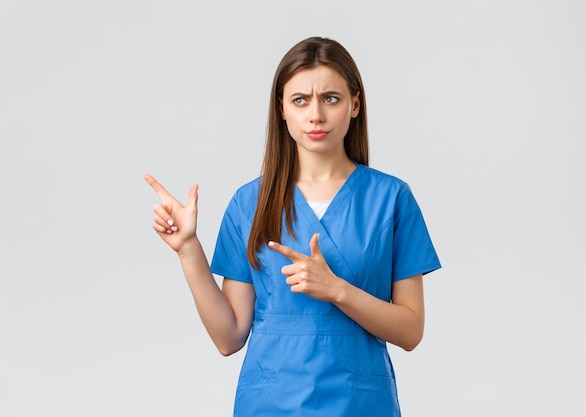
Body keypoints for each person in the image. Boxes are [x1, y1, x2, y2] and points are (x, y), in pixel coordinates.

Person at [145, 36, 441, 416]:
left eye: (330, 99)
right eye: (300, 100)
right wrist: (188, 249)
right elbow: (228, 336)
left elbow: (411, 330)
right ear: (282, 109)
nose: (315, 115)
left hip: (360, 404)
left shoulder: (391, 199)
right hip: (270, 404)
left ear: (354, 105)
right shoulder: (250, 203)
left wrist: (337, 290)